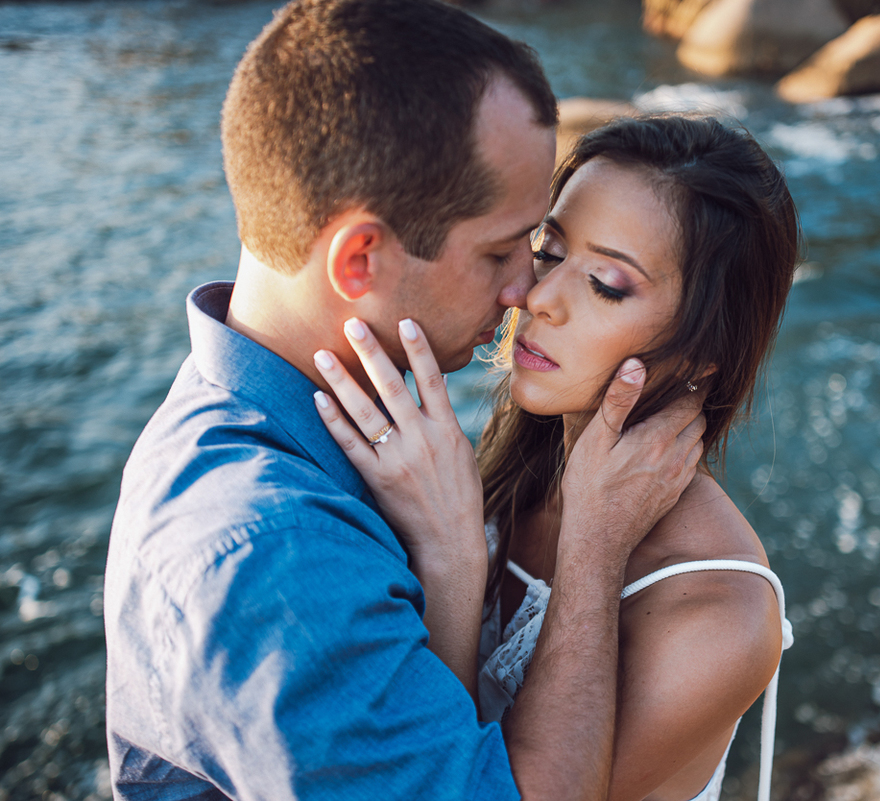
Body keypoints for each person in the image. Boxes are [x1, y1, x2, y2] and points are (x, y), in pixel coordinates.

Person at [103, 1, 704, 799]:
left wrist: (455, 567)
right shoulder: (275, 554)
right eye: (500, 251)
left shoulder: (307, 412)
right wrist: (593, 546)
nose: (527, 287)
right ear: (359, 259)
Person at [312, 115, 800, 801]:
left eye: (604, 282)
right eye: (547, 250)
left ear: (699, 353)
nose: (537, 298)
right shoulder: (519, 461)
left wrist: (562, 553)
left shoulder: (719, 614)